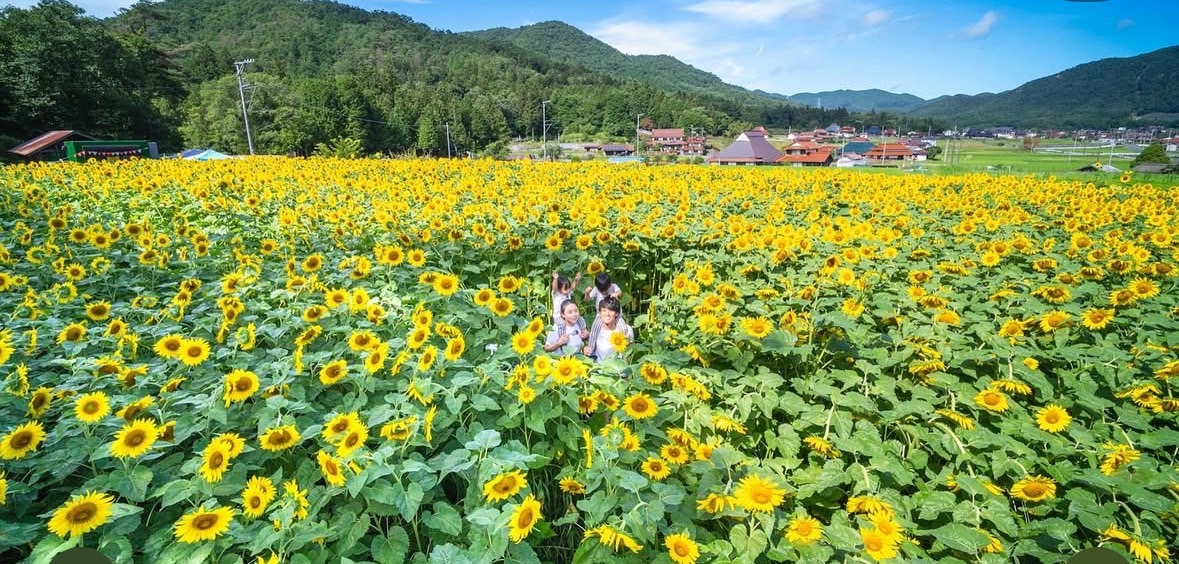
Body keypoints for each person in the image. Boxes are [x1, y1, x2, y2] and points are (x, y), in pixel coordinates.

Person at [583, 296, 633, 362]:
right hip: (599, 369)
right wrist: (586, 349)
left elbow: (630, 352)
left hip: (618, 369)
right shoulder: (596, 330)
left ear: (617, 314)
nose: (607, 314)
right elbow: (589, 348)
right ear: (600, 313)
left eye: (611, 311)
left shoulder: (627, 330)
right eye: (604, 311)